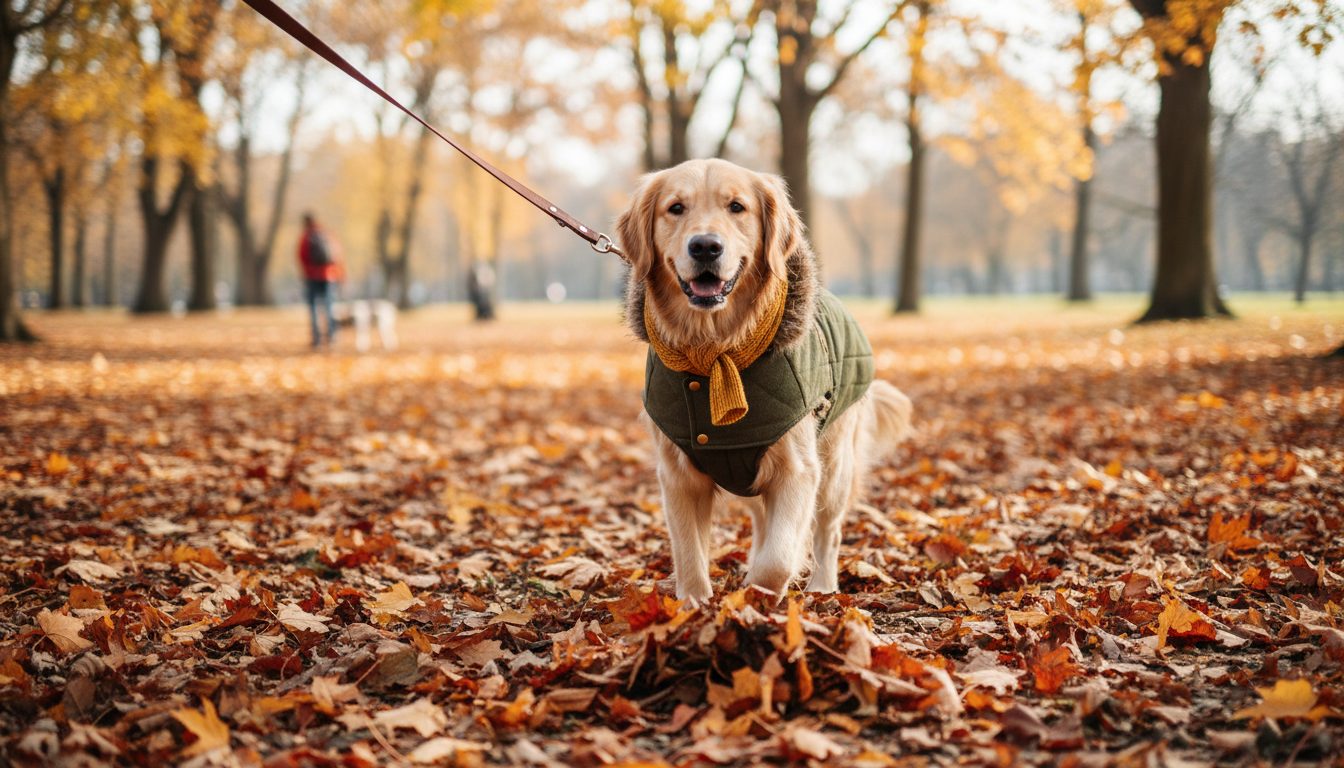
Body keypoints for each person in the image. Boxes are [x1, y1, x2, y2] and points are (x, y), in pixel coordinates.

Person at [297, 213, 344, 348]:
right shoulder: (329, 235)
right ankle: (332, 336)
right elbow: (338, 255)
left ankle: (317, 339)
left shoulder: (307, 236)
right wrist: (339, 275)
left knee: (314, 308)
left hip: (312, 276)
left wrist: (306, 272)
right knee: (329, 306)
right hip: (330, 275)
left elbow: (302, 256)